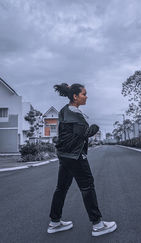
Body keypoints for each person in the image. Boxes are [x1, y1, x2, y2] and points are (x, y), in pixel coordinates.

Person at [47, 83, 117, 237]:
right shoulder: (75, 114)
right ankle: (98, 225)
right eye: (84, 94)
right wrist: (95, 127)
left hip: (64, 155)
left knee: (61, 187)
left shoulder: (65, 110)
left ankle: (55, 222)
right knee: (87, 187)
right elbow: (83, 133)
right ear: (75, 96)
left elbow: (72, 134)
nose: (86, 97)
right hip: (75, 156)